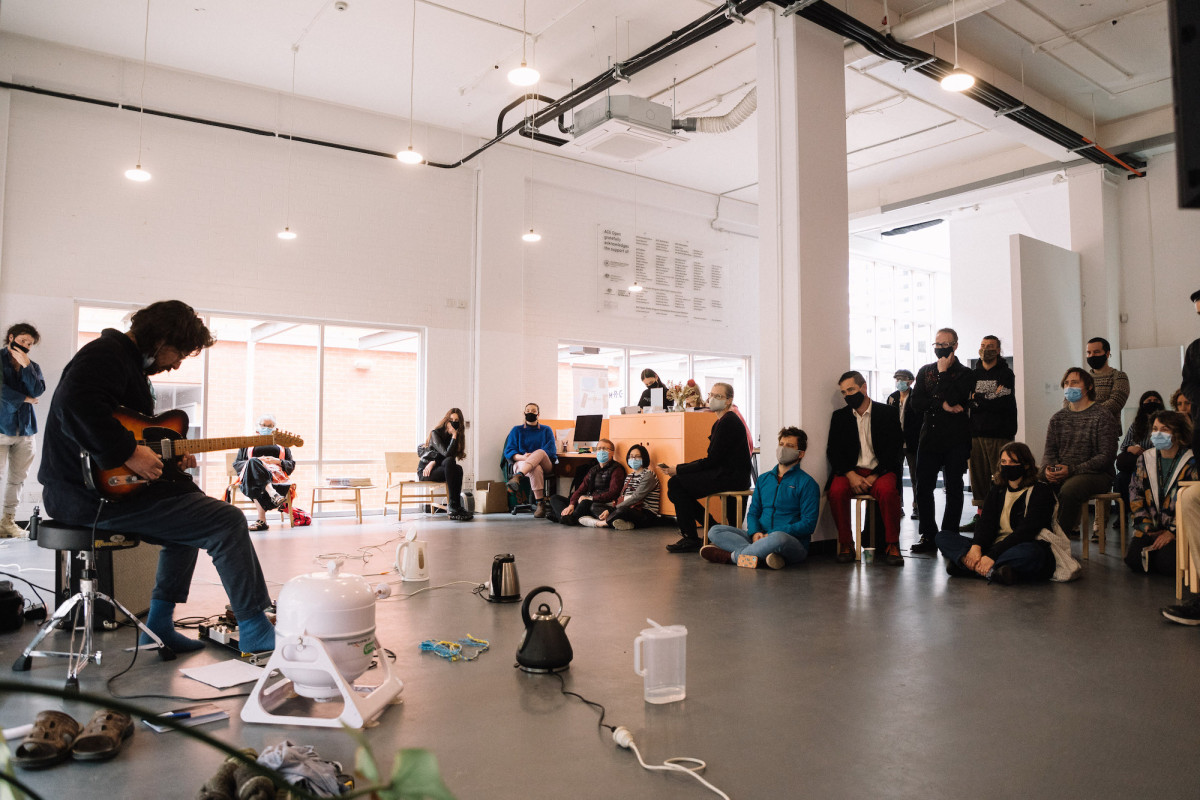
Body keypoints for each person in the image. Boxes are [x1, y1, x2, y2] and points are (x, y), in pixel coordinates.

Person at [38, 300, 274, 653]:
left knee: (190, 516)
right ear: (160, 338)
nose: (177, 363)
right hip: (85, 496)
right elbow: (77, 405)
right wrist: (129, 453)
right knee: (225, 519)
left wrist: (167, 458)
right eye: (178, 352)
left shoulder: (127, 365)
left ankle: (160, 623)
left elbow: (132, 432)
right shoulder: (106, 355)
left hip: (103, 492)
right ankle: (255, 627)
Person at [935, 442, 1056, 585]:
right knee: (942, 537)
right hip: (993, 545)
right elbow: (985, 521)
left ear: (1026, 465)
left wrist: (992, 556)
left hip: (1023, 544)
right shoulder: (998, 489)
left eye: (1013, 462)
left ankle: (968, 566)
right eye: (1004, 461)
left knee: (1032, 554)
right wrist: (976, 547)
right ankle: (994, 571)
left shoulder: (1041, 491)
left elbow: (1026, 532)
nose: (1007, 465)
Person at [700, 427, 819, 569]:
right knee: (715, 530)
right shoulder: (763, 479)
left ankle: (731, 557)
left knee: (778, 538)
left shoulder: (808, 484)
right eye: (781, 444)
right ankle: (764, 556)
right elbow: (753, 512)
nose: (783, 449)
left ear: (801, 454)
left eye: (790, 446)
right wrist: (755, 532)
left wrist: (772, 534)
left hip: (789, 541)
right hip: (759, 537)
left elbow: (808, 524)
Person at [826, 372, 905, 566]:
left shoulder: (887, 413)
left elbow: (894, 450)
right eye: (844, 392)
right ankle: (846, 543)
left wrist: (875, 475)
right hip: (851, 471)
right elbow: (833, 451)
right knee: (835, 491)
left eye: (851, 389)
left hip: (880, 471)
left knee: (887, 492)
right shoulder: (839, 417)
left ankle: (892, 544)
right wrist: (850, 474)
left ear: (863, 387)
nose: (847, 395)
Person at [662, 382, 752, 553]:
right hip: (723, 473)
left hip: (730, 476)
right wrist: (680, 470)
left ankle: (695, 535)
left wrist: (679, 469)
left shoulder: (729, 422)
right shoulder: (720, 422)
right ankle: (709, 528)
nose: (712, 399)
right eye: (711, 395)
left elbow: (711, 461)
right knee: (677, 484)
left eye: (718, 396)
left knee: (676, 484)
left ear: (728, 400)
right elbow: (713, 460)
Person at [910, 328, 975, 553]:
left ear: (955, 345)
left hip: (956, 438)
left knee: (954, 487)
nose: (940, 348)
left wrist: (944, 373)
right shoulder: (925, 371)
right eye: (937, 344)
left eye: (945, 344)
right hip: (929, 438)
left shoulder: (966, 373)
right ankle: (928, 535)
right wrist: (942, 405)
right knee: (923, 487)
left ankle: (949, 535)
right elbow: (917, 403)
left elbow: (956, 398)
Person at [1041, 367, 1120, 537]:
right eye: (1067, 383)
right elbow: (1049, 451)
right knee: (1035, 481)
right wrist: (1049, 469)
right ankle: (1033, 536)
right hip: (1064, 470)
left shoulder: (1103, 415)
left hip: (1097, 474)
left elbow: (1106, 457)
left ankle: (1057, 542)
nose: (1069, 386)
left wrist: (1072, 470)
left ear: (1089, 387)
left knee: (1070, 489)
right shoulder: (1058, 418)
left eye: (1075, 382)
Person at [1124, 411, 1196, 576]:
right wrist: (1146, 525)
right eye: (1155, 429)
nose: (1157, 434)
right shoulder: (1145, 459)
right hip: (1152, 526)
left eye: (1164, 429)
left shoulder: (1191, 461)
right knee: (1134, 560)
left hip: (1179, 529)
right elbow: (1136, 492)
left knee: (1167, 564)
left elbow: (1192, 503)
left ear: (1177, 433)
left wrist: (1172, 532)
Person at [961, 335, 1017, 532]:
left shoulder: (1006, 374)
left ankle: (1001, 517)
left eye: (991, 346)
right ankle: (981, 517)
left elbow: (1002, 401)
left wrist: (978, 399)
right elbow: (969, 400)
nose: (986, 349)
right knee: (979, 478)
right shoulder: (972, 375)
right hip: (975, 434)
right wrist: (988, 398)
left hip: (999, 434)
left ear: (998, 350)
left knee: (1000, 477)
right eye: (983, 346)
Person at [0, 323, 44, 538]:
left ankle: (7, 522)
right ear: (11, 337)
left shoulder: (32, 365)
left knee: (18, 478)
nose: (26, 345)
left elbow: (38, 390)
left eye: (30, 343)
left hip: (25, 429)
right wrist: (25, 398)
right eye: (23, 340)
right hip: (1, 427)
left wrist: (26, 366)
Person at [233, 413, 297, 531]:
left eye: (270, 426)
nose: (267, 428)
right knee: (253, 462)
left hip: (276, 478)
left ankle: (262, 520)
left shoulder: (282, 444)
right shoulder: (248, 442)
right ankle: (273, 494)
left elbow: (291, 464)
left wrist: (277, 461)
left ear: (274, 427)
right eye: (264, 425)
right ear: (258, 426)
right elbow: (237, 464)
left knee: (256, 478)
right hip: (252, 475)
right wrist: (258, 462)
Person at [581, 444, 661, 530]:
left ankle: (601, 523)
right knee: (595, 506)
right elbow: (622, 497)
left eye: (637, 457)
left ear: (644, 458)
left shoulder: (649, 475)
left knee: (622, 510)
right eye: (631, 456)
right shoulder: (630, 476)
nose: (633, 459)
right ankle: (624, 523)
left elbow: (636, 498)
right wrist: (611, 507)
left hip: (644, 512)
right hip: (628, 507)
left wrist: (612, 510)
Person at [547, 438, 625, 525]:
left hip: (600, 503)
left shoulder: (617, 469)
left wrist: (591, 498)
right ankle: (565, 517)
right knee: (555, 498)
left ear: (612, 453)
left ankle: (563, 517)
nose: (601, 451)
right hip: (588, 499)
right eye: (599, 449)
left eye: (605, 449)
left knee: (585, 502)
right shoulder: (593, 469)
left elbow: (613, 493)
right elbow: (581, 489)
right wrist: (571, 504)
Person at [504, 402, 558, 518]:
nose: (530, 413)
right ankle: (540, 504)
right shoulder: (516, 430)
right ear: (524, 413)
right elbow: (509, 452)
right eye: (528, 411)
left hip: (545, 462)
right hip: (521, 461)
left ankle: (518, 476)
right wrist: (523, 457)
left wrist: (534, 456)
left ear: (538, 414)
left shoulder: (546, 430)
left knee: (541, 452)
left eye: (533, 411)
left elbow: (551, 451)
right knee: (535, 468)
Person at [1114, 391, 1165, 508]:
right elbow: (1124, 446)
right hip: (1137, 464)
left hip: (1158, 463)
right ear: (1142, 404)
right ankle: (1122, 514)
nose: (1152, 403)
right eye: (1149, 401)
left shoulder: (1167, 423)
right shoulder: (1136, 424)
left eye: (1156, 401)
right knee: (1121, 478)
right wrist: (1131, 448)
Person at [419, 407, 472, 521]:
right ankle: (453, 507)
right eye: (451, 419)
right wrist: (454, 435)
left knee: (458, 469)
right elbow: (446, 453)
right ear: (446, 421)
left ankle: (456, 506)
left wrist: (435, 462)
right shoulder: (436, 433)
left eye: (457, 420)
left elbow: (450, 458)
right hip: (426, 470)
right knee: (451, 463)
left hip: (441, 468)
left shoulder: (457, 436)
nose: (453, 422)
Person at [887, 368, 920, 520]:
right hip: (896, 443)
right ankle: (898, 505)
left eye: (902, 379)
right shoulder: (892, 398)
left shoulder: (916, 397)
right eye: (897, 379)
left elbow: (920, 422)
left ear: (910, 381)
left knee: (915, 475)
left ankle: (917, 506)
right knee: (896, 475)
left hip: (913, 443)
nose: (899, 382)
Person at [1080, 337, 1130, 420]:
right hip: (1082, 430)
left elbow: (1115, 403)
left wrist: (1084, 412)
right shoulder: (1082, 379)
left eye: (1096, 352)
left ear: (1107, 354)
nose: (1092, 355)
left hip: (1108, 430)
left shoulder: (1119, 376)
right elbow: (1069, 402)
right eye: (1089, 352)